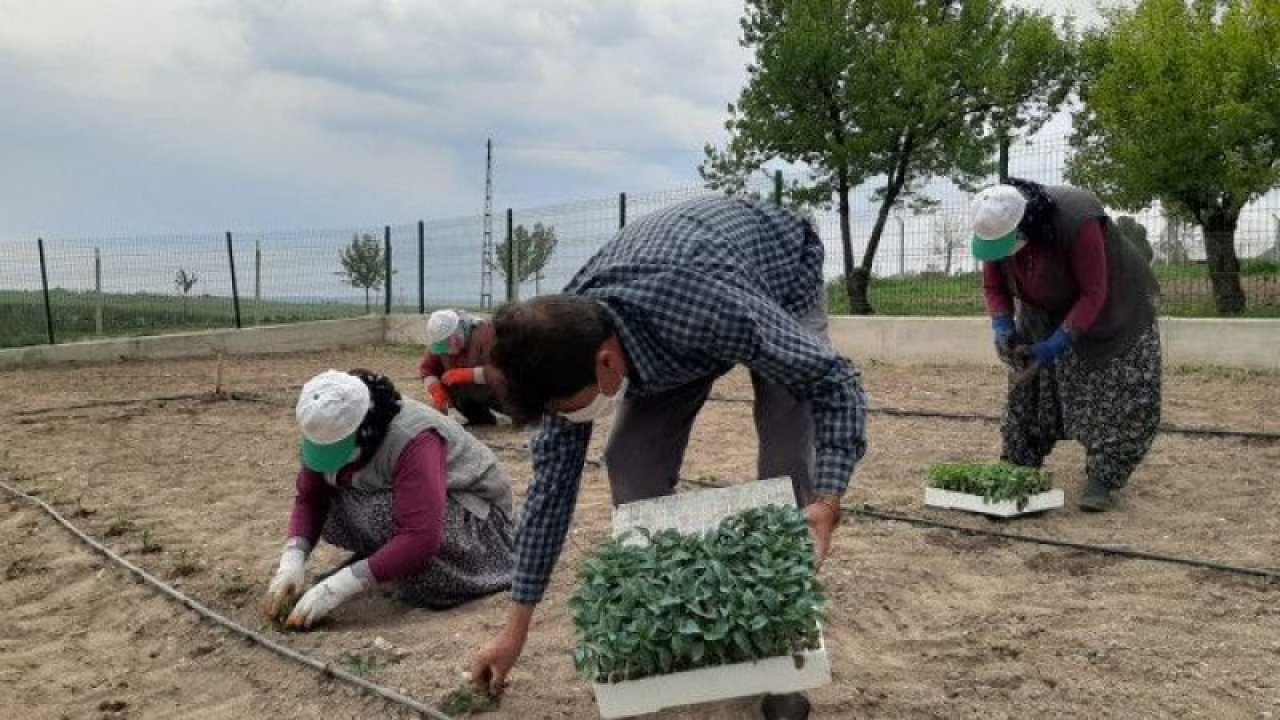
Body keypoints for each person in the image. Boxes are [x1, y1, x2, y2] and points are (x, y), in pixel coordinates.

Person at [468, 196, 868, 717]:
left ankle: (782, 667)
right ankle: (677, 637)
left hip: (775, 273)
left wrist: (828, 499)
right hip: (667, 326)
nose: (564, 420)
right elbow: (548, 499)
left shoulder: (712, 308)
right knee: (632, 463)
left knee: (787, 460)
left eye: (566, 408)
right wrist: (513, 631)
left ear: (606, 362)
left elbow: (833, 381)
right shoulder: (561, 347)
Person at [263, 368, 515, 629]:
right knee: (335, 505)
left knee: (381, 513)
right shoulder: (329, 426)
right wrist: (292, 560)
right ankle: (389, 560)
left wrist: (340, 586)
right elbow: (310, 498)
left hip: (482, 522)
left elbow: (420, 536)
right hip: (427, 512)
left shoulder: (413, 438)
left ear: (364, 431)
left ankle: (419, 571)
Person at [971, 179, 1161, 513]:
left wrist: (1058, 342)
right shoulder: (993, 225)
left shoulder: (1077, 220)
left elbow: (1094, 293)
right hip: (1042, 304)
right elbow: (994, 285)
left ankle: (1103, 478)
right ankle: (1019, 463)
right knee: (1029, 383)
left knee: (1115, 388)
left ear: (1024, 226)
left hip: (1112, 303)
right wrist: (1001, 324)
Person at [419, 309, 501, 426]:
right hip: (471, 396)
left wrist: (470, 375)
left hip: (497, 394)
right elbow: (427, 369)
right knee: (449, 382)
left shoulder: (485, 334)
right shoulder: (440, 347)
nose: (446, 348)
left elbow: (504, 371)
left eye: (448, 341)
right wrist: (436, 391)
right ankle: (480, 419)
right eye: (442, 345)